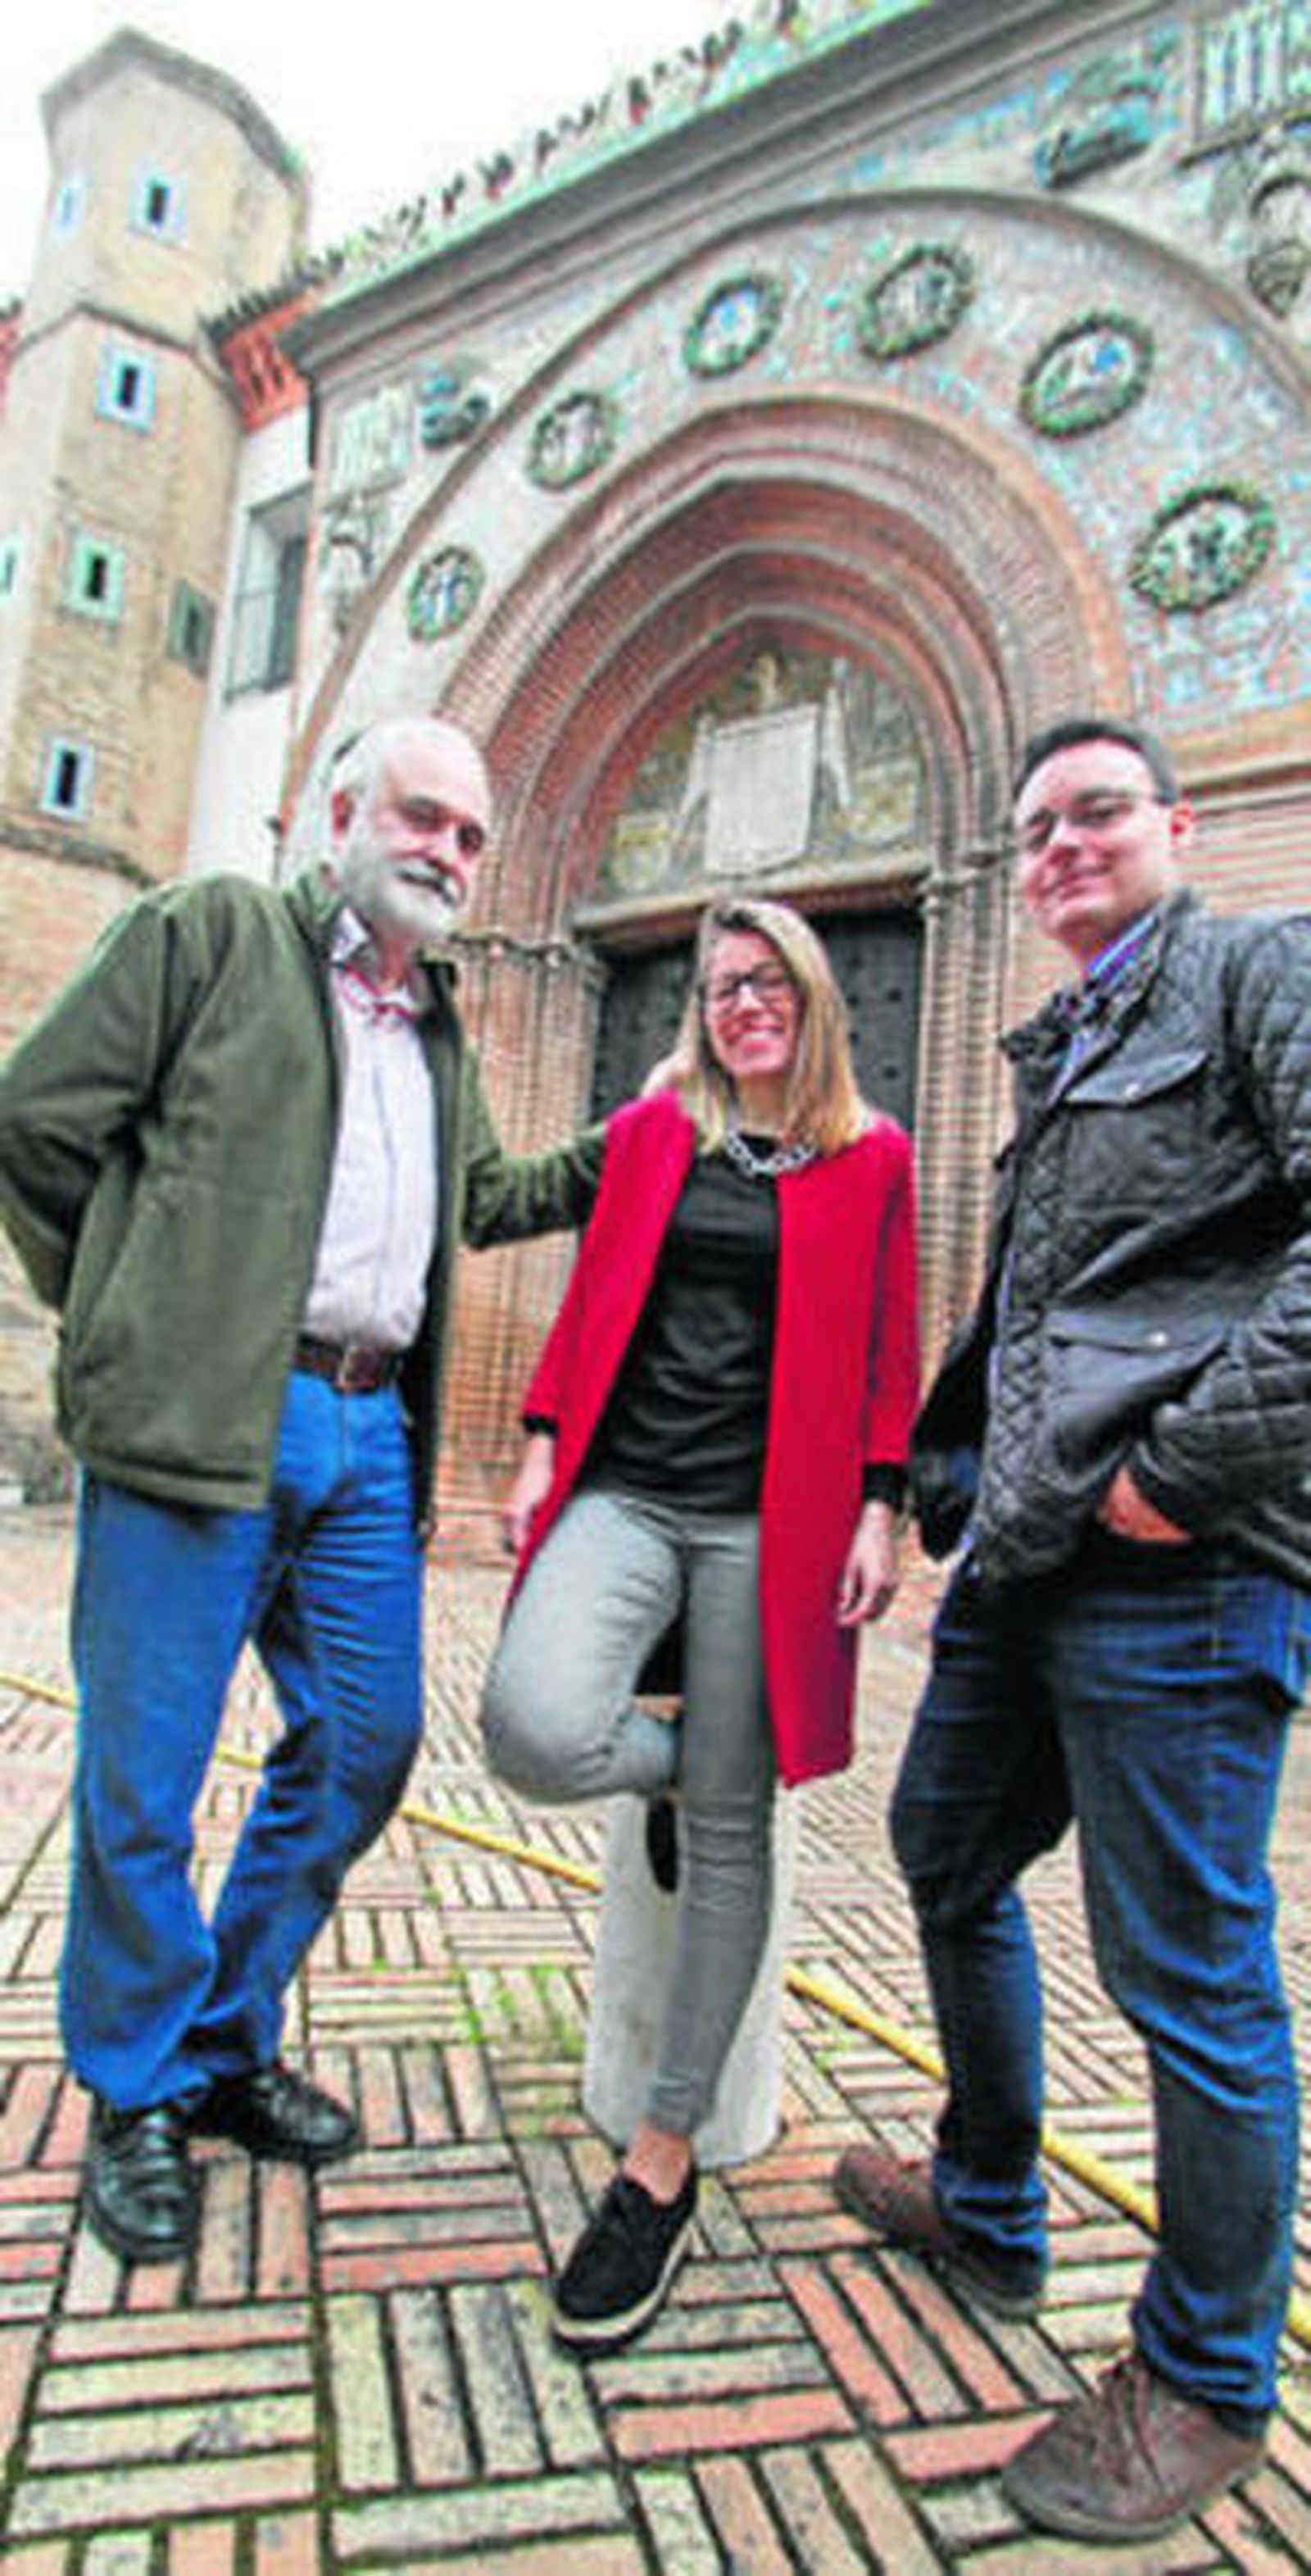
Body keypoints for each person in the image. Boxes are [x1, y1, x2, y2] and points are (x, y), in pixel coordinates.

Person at [0, 714, 602, 2266]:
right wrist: (129, 1311)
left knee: (365, 1742)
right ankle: (134, 2084)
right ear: (341, 815)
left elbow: (486, 1199)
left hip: (364, 1427)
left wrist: (643, 1133)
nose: (446, 852)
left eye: (470, 836)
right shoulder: (208, 935)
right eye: (421, 815)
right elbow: (34, 1121)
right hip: (204, 1408)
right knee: (146, 1777)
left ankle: (218, 2042)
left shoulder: (439, 1023)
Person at [832, 716, 1311, 2543]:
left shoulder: (1254, 972)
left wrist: (1178, 1476)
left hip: (1184, 1563)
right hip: (1035, 1557)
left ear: (1176, 821)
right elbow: (1053, 1306)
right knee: (942, 1847)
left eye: (1097, 812)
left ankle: (1205, 2380)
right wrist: (945, 1475)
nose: (1060, 849)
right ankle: (989, 2199)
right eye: (1032, 830)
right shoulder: (1068, 1039)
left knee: (1185, 1970)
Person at [482, 896, 919, 2353]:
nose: (744, 1003)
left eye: (767, 980)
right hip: (630, 1489)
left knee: (734, 1841)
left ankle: (661, 2162)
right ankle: (694, 1766)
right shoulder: (654, 1130)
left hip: (770, 1523)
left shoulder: (874, 1155)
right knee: (534, 1726)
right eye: (722, 985)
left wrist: (880, 1507)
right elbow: (591, 1295)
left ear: (813, 996)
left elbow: (889, 1349)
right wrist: (541, 1439)